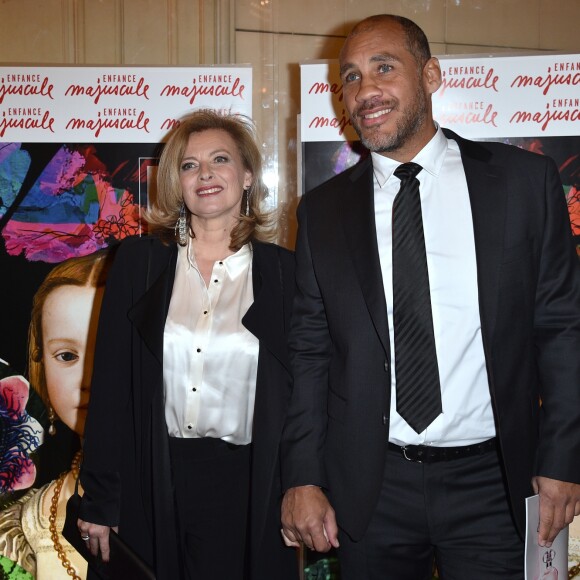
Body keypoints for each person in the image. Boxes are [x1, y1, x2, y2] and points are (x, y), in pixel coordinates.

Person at [280, 14, 580, 580]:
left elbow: (563, 328)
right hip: (371, 486)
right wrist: (303, 476)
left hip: (497, 483)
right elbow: (309, 352)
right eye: (350, 77)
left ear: (431, 75)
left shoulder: (522, 183)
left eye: (383, 68)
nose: (365, 90)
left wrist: (564, 459)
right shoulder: (322, 213)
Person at [76, 109, 299, 580]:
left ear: (247, 176)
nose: (206, 174)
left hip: (245, 484)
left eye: (220, 159)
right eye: (189, 164)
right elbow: (112, 388)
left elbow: (305, 397)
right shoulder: (139, 264)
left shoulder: (285, 274)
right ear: (177, 182)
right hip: (150, 477)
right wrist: (99, 497)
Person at [0, 249, 112, 579]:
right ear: (41, 364)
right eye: (66, 356)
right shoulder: (20, 533)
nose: (89, 378)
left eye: (109, 349)